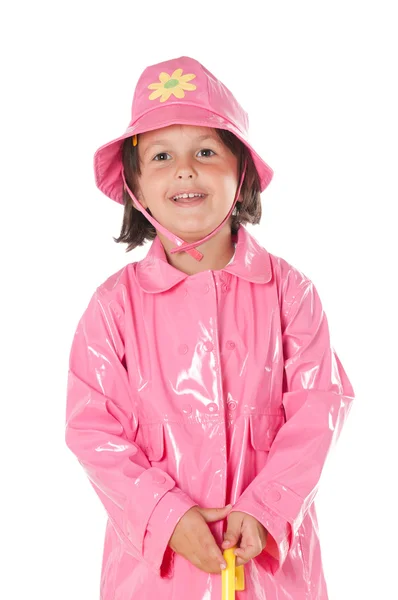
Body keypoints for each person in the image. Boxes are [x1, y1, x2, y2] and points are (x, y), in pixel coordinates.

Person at [65, 55, 355, 599]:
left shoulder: (291, 293)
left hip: (271, 567)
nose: (185, 170)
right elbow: (92, 430)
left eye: (205, 151)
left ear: (240, 170)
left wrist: (267, 506)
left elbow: (321, 407)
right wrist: (165, 515)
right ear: (135, 187)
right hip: (156, 573)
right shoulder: (112, 308)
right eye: (161, 156)